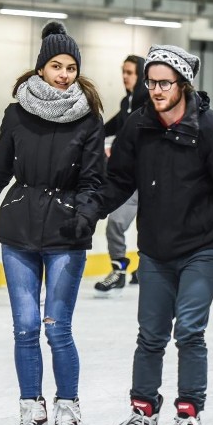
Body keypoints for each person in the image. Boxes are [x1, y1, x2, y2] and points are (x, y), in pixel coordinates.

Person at [62, 44, 213, 425]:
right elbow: (118, 181)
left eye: (164, 82)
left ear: (183, 84)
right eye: (151, 82)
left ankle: (187, 420)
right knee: (150, 335)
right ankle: (142, 415)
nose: (156, 90)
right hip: (157, 251)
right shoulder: (138, 127)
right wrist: (90, 212)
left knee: (190, 332)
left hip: (203, 247)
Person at [0, 22, 104, 425]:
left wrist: (85, 218)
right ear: (40, 68)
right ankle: (32, 414)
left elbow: (96, 181)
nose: (64, 74)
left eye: (71, 67)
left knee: (57, 328)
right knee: (24, 328)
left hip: (65, 233)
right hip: (18, 231)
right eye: (56, 65)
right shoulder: (16, 113)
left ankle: (68, 411)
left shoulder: (88, 117)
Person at [94, 54, 148, 296]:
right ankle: (119, 270)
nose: (125, 77)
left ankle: (147, 267)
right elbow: (110, 128)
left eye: (130, 72)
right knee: (115, 223)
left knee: (153, 226)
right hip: (128, 180)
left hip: (149, 177)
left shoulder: (147, 103)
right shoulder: (126, 102)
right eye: (123, 72)